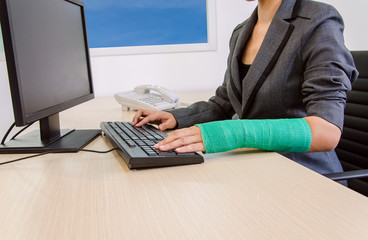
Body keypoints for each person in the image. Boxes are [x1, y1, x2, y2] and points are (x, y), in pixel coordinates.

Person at [132, 0, 358, 175]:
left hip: (305, 173)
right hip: (255, 165)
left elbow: (327, 132)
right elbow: (225, 103)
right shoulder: (241, 32)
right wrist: (176, 117)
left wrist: (230, 133)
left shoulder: (317, 20)